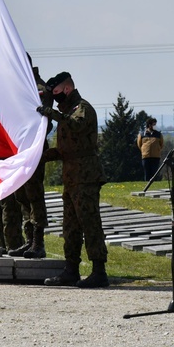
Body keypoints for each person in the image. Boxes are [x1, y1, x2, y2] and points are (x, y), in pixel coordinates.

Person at [37, 72, 109, 288]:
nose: (54, 97)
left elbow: (77, 125)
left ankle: (99, 271)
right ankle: (71, 270)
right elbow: (65, 150)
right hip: (71, 179)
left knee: (90, 223)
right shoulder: (67, 112)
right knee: (70, 226)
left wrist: (51, 114)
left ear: (66, 89)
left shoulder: (81, 109)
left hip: (86, 178)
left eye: (56, 92)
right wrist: (39, 157)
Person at [7, 60, 51, 259]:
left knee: (34, 196)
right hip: (18, 152)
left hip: (32, 151)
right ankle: (29, 240)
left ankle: (38, 242)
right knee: (21, 195)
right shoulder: (17, 88)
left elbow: (44, 123)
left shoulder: (39, 89)